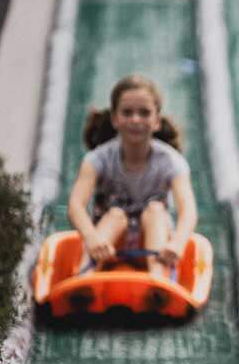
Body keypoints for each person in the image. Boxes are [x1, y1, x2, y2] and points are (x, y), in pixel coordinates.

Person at [67, 74, 196, 280]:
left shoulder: (171, 162)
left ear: (156, 121)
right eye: (127, 113)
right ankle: (85, 276)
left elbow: (188, 209)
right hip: (107, 247)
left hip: (153, 249)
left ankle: (159, 280)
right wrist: (91, 238)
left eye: (144, 113)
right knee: (115, 214)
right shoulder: (98, 159)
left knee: (155, 211)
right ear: (115, 119)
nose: (136, 119)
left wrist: (178, 242)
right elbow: (76, 205)